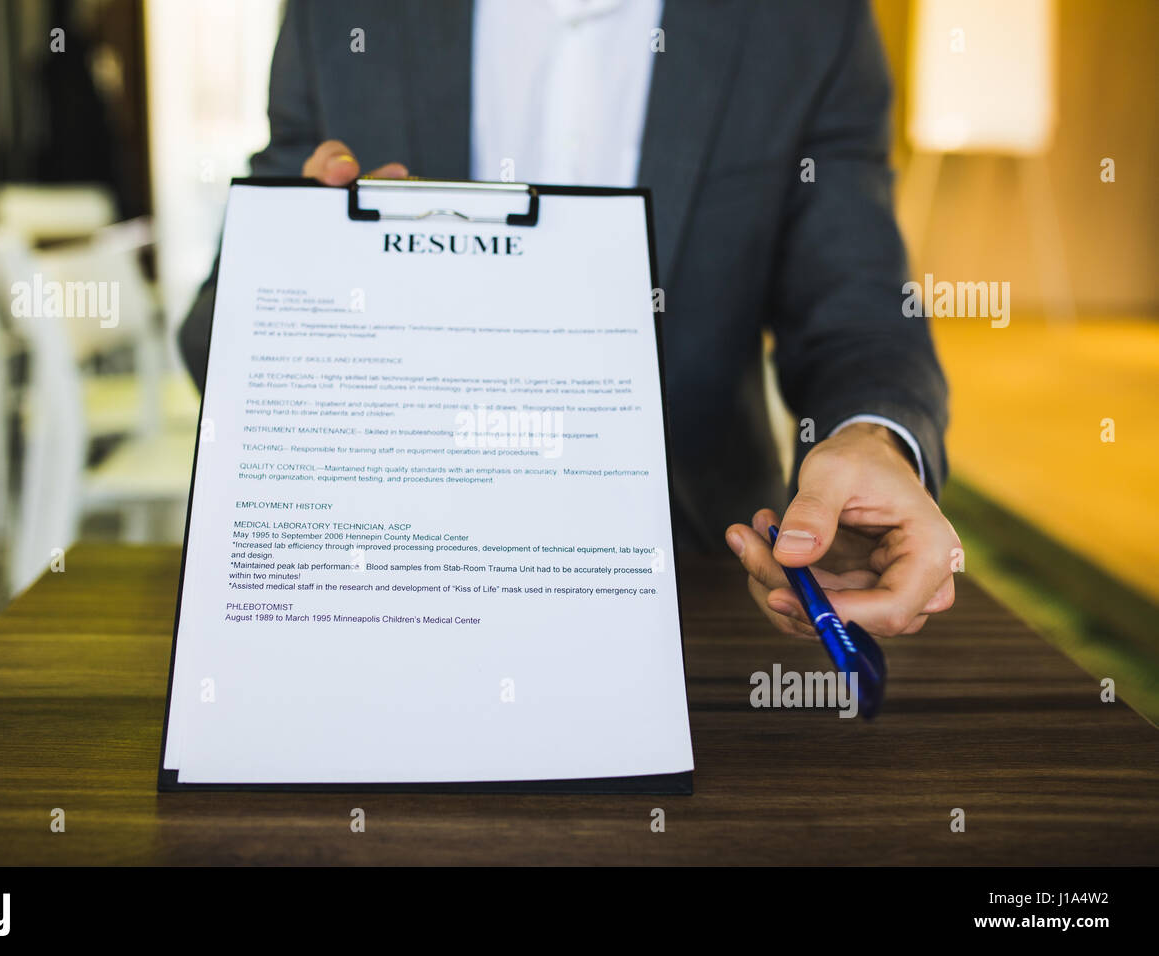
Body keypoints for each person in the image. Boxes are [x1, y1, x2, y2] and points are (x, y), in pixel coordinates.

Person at [178, 0, 961, 640]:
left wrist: (876, 438)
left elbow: (858, 310)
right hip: (381, 576)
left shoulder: (808, 21)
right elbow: (211, 333)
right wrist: (297, 284)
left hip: (700, 576)